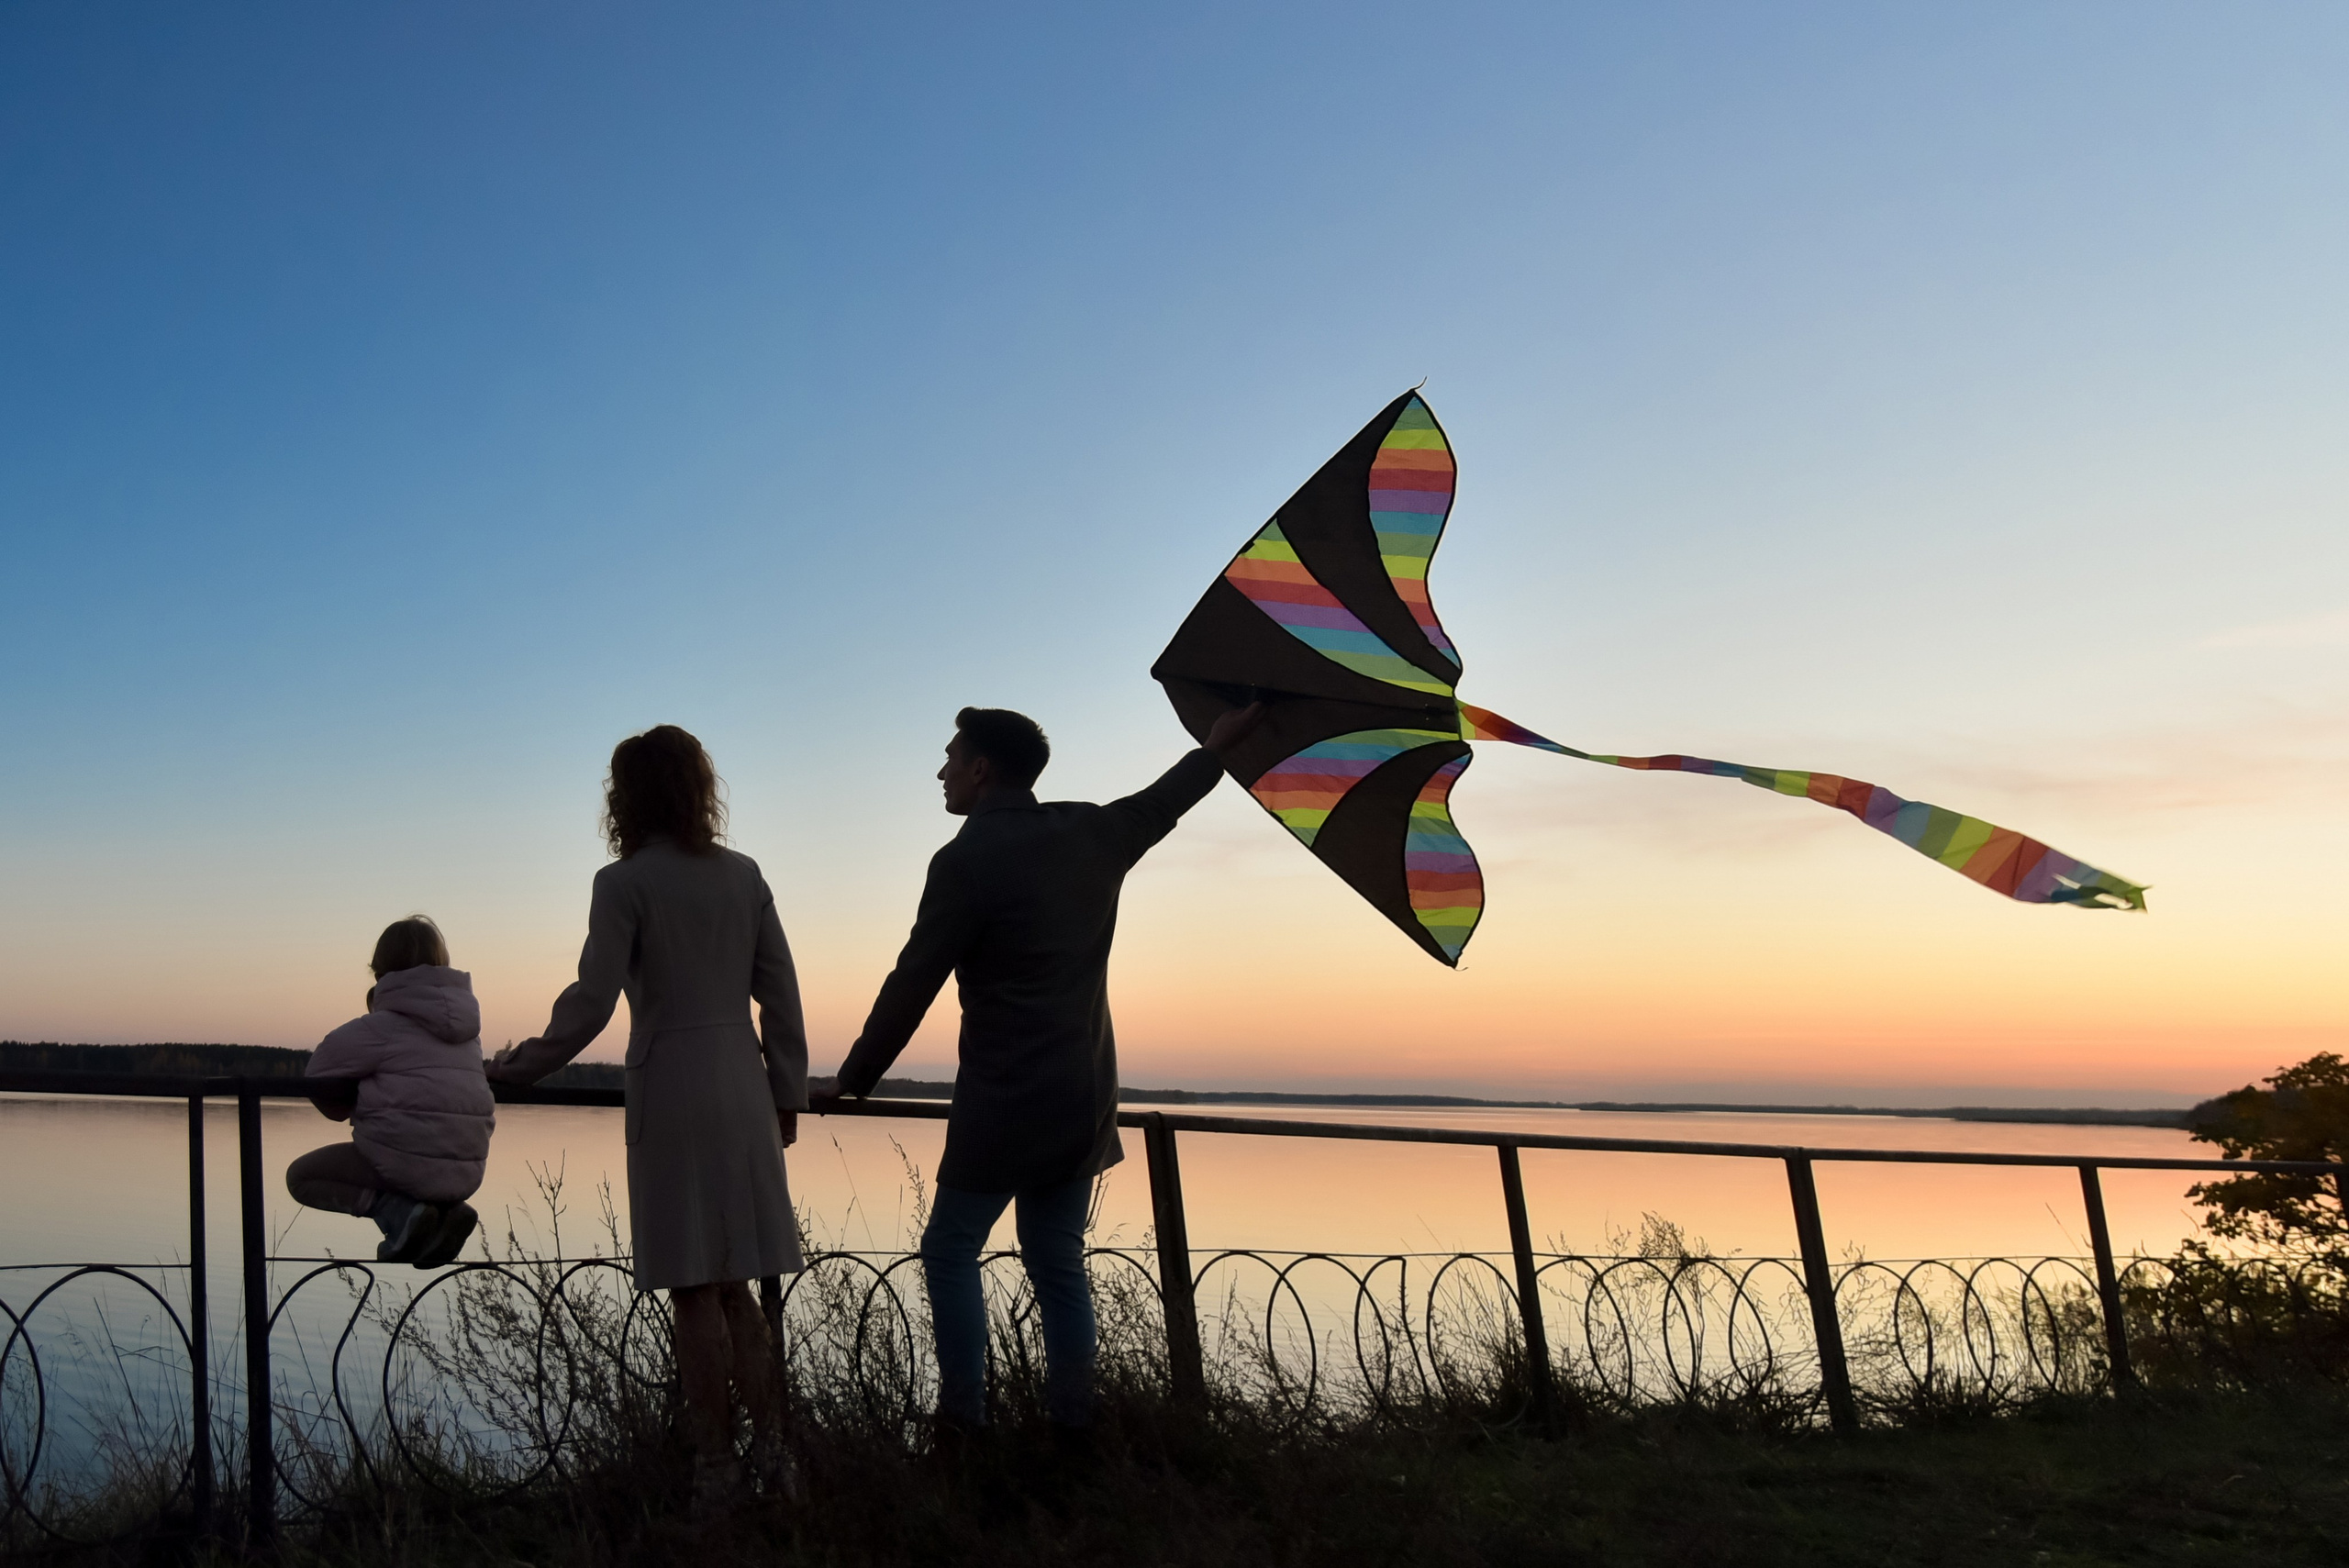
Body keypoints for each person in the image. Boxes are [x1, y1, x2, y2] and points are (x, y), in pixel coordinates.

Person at [812, 702, 1262, 1444]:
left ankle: (963, 1423)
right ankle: (1072, 1430)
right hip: (1084, 1097)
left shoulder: (963, 860)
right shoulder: (1089, 831)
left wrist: (852, 1078)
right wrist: (1217, 746)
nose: (942, 770)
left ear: (982, 770)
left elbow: (913, 980)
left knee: (950, 1247)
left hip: (1004, 1097)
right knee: (1057, 1260)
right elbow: (1164, 801)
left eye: (951, 756)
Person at [487, 725, 807, 1506]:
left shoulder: (623, 881)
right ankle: (776, 1459)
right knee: (739, 1283)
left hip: (670, 1090)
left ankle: (715, 1470)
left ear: (624, 798)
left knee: (695, 1290)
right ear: (699, 789)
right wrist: (787, 1095)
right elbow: (783, 995)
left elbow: (591, 1002)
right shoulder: (745, 875)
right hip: (742, 1084)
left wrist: (513, 1067)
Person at [288, 916, 494, 1269]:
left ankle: (399, 1217)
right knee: (409, 1155)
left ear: (381, 974)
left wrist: (353, 1102)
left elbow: (318, 1074)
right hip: (467, 1172)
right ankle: (446, 1212)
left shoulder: (380, 1028)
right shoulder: (468, 1034)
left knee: (302, 1177)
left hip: (406, 1164)